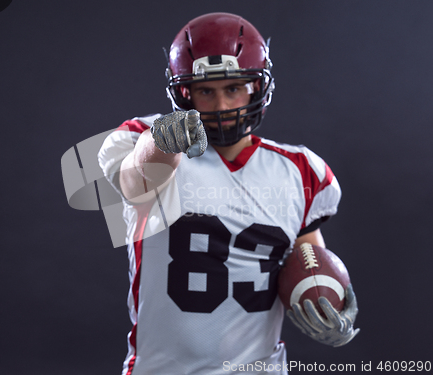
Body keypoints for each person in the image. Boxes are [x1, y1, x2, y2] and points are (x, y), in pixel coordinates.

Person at [97, 12, 359, 375]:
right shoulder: (148, 137)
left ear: (255, 87)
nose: (221, 106)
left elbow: (307, 260)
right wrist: (161, 144)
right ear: (184, 93)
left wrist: (328, 302)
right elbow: (133, 183)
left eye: (233, 88)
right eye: (206, 91)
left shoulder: (300, 170)